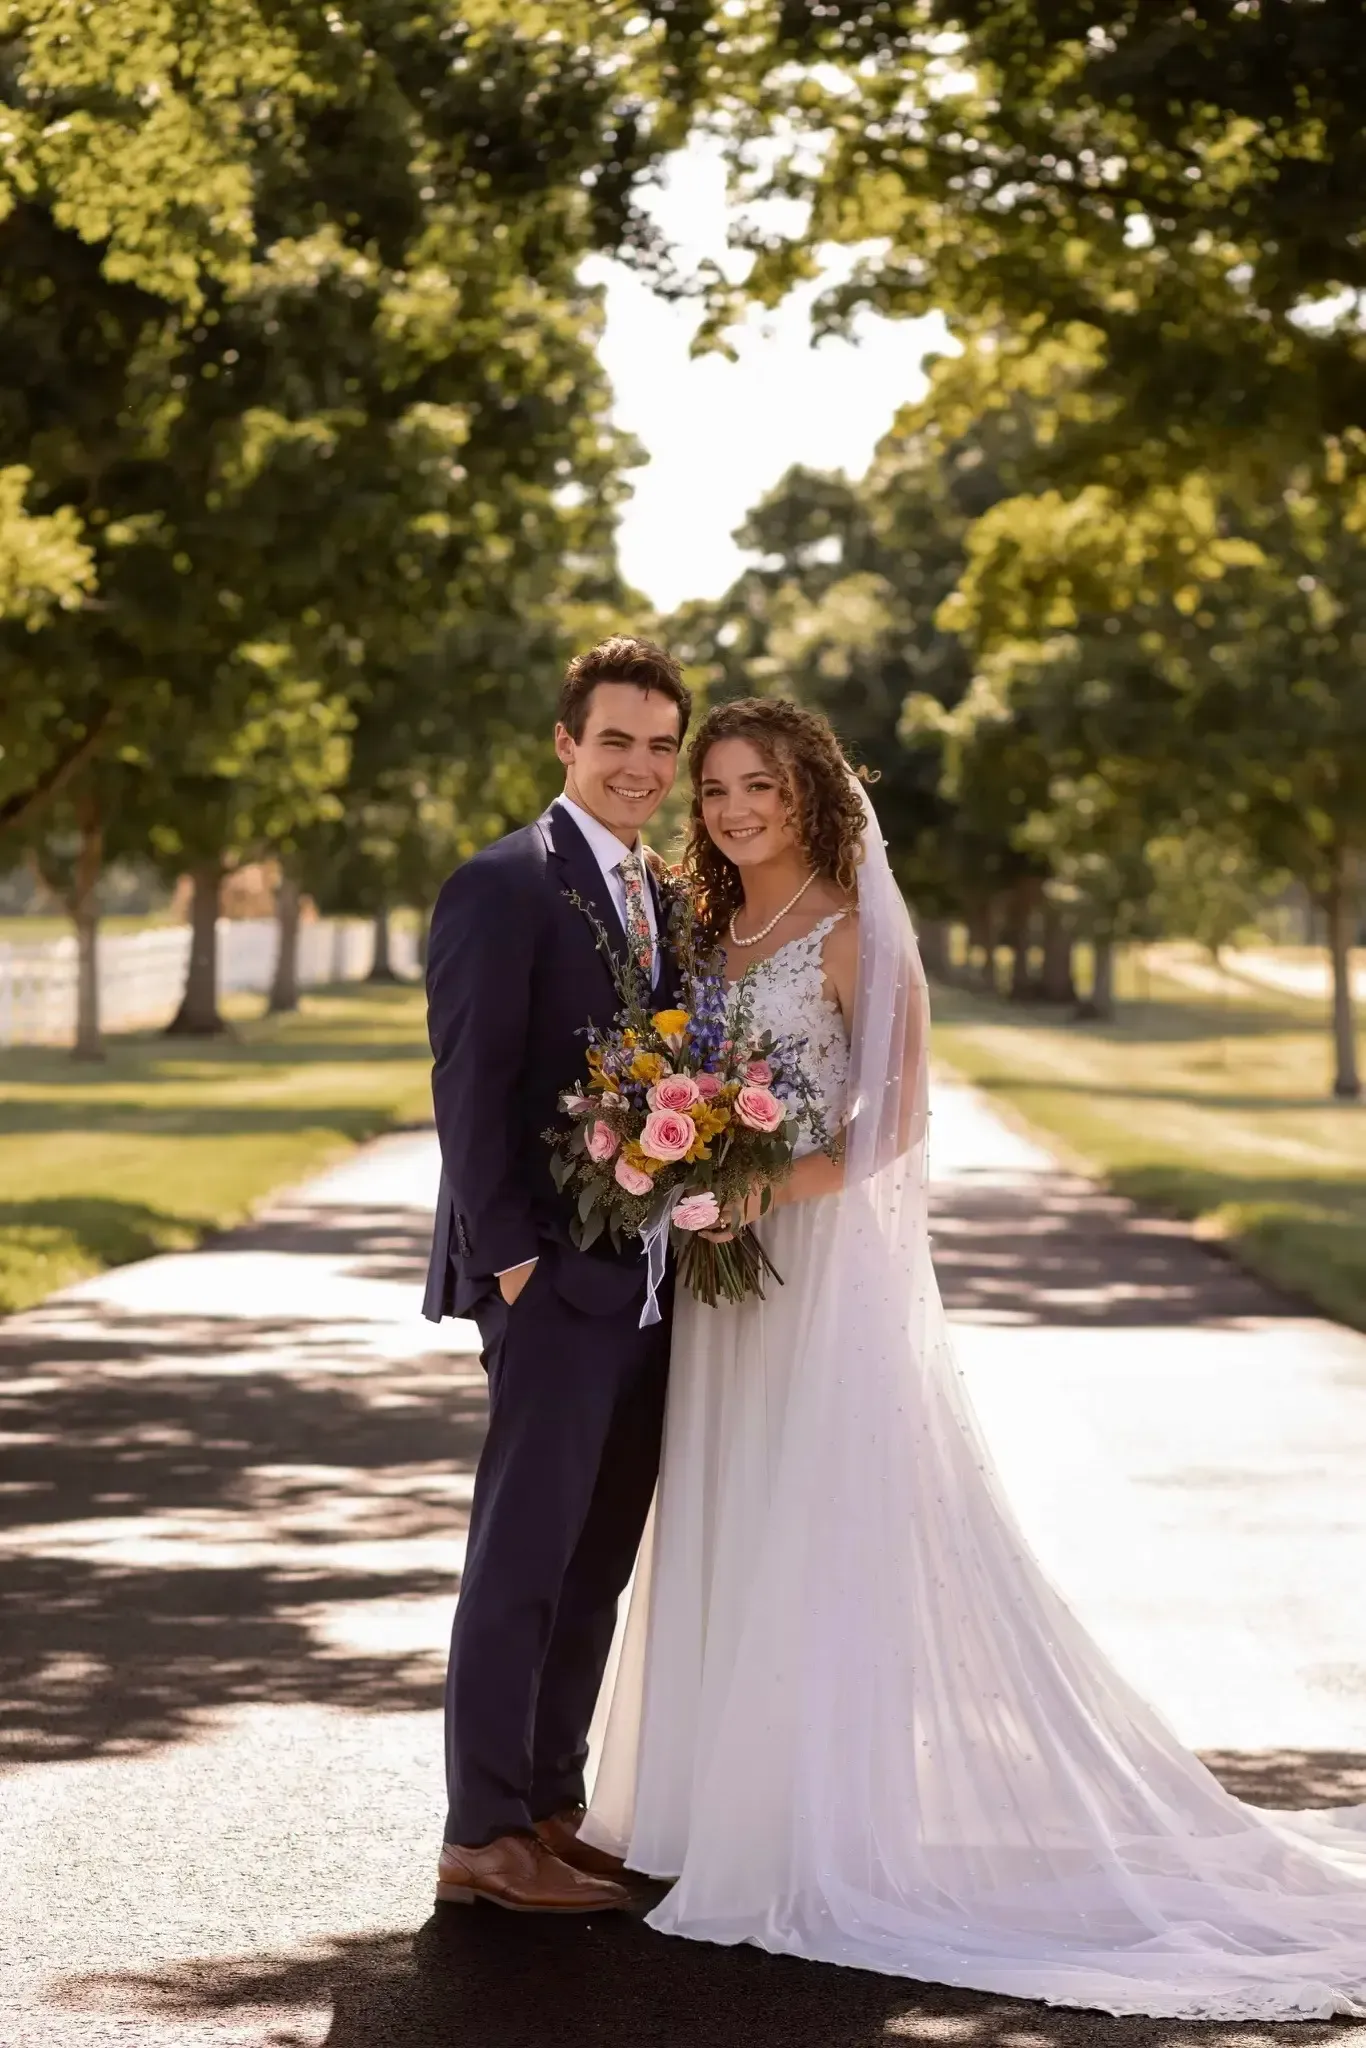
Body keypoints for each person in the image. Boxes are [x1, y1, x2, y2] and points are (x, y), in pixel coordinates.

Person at [583, 696, 1366, 2018]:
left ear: (812, 791)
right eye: (713, 787)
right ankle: (708, 1814)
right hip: (722, 1280)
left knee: (811, 1518)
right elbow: (676, 1067)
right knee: (725, 1505)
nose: (728, 808)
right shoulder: (704, 926)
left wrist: (767, 1187)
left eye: (755, 785)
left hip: (808, 1264)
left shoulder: (853, 924)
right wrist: (673, 1149)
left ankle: (809, 1833)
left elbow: (892, 1121)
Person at [422, 635, 690, 1913]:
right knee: (522, 1553)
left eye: (659, 746)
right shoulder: (502, 884)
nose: (638, 766)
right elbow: (468, 1094)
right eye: (616, 740)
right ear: (566, 744)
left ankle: (545, 1801)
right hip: (554, 1286)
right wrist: (517, 1265)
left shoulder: (659, 893)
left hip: (646, 1285)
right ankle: (480, 1829)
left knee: (596, 1558)